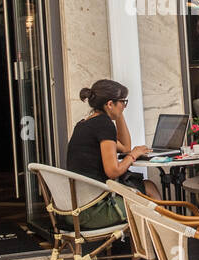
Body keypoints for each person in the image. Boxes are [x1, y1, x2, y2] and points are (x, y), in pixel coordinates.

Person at [64, 79, 158, 229]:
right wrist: (133, 155)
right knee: (149, 193)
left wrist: (117, 112)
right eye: (123, 102)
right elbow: (113, 171)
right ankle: (162, 241)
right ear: (109, 104)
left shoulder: (85, 124)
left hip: (75, 208)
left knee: (148, 187)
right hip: (93, 211)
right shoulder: (104, 124)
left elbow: (125, 146)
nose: (125, 106)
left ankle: (156, 242)